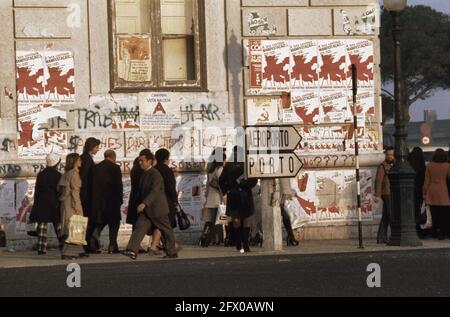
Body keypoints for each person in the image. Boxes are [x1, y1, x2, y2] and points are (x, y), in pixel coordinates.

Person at [122, 149, 178, 260]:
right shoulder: (144, 174)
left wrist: (144, 203)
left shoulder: (155, 175)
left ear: (149, 161)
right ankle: (132, 250)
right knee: (139, 228)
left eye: (142, 160)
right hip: (147, 210)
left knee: (166, 230)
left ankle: (172, 252)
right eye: (139, 161)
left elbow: (155, 191)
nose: (140, 163)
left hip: (158, 209)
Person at [219, 146, 257, 253]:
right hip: (234, 196)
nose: (236, 155)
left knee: (247, 220)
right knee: (236, 221)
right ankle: (238, 242)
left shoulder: (248, 164)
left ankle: (245, 244)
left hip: (246, 195)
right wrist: (226, 191)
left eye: (238, 153)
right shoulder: (229, 165)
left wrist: (246, 185)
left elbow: (254, 179)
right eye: (234, 153)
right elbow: (221, 180)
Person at [90, 150, 123, 254]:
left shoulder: (96, 168)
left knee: (100, 222)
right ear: (113, 157)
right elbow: (119, 186)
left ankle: (93, 239)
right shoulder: (115, 168)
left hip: (98, 202)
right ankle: (112, 246)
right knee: (114, 224)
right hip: (112, 201)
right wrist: (120, 199)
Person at [29, 153, 62, 255]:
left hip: (42, 203)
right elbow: (59, 191)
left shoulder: (41, 174)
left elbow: (37, 190)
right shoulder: (58, 175)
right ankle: (63, 245)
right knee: (58, 226)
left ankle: (41, 248)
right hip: (54, 203)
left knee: (42, 225)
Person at [153, 148, 182, 254]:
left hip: (155, 201)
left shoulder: (153, 170)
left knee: (160, 225)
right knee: (167, 225)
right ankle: (170, 247)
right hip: (167, 202)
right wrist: (175, 201)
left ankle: (164, 245)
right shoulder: (167, 170)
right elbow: (171, 187)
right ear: (166, 159)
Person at [58, 153, 86, 260]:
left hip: (65, 204)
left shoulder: (66, 173)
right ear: (74, 161)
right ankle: (68, 252)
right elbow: (75, 192)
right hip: (71, 204)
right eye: (79, 160)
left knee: (71, 227)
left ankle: (79, 251)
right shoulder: (74, 174)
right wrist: (77, 207)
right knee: (74, 227)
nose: (80, 162)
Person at [199, 148, 226, 247]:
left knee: (210, 221)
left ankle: (206, 238)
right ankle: (215, 240)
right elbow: (221, 184)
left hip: (210, 196)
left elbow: (208, 183)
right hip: (217, 197)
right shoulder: (220, 169)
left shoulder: (210, 167)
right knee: (218, 220)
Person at [423, 149, 450, 240]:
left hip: (432, 190)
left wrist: (425, 193)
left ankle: (434, 230)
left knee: (434, 213)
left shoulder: (430, 166)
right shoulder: (447, 166)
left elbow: (426, 181)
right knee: (443, 213)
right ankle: (442, 232)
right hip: (443, 190)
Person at [80, 137, 100, 253]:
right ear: (92, 147)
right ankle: (85, 244)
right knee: (89, 221)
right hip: (86, 195)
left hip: (85, 195)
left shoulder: (85, 158)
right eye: (97, 147)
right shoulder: (87, 159)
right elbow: (84, 177)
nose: (98, 149)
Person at [374, 147, 395, 244]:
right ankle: (394, 235)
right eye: (388, 155)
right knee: (391, 214)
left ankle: (381, 237)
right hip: (387, 193)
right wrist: (377, 195)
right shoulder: (382, 166)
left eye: (392, 154)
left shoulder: (396, 164)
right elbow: (378, 181)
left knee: (386, 215)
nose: (390, 156)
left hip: (393, 192)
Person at [407, 147, 427, 235]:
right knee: (420, 210)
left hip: (410, 191)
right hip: (420, 191)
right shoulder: (423, 167)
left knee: (412, 210)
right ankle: (420, 230)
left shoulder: (409, 165)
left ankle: (412, 229)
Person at [280, 178, 300, 246]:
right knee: (287, 218)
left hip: (281, 202)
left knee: (287, 218)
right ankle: (291, 237)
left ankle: (291, 237)